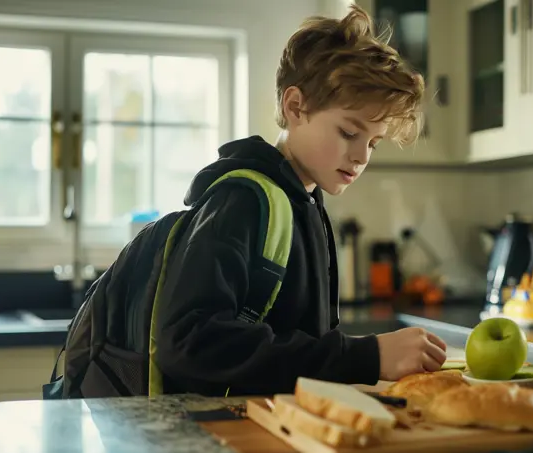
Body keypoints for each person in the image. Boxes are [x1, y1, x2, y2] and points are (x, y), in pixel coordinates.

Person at [154, 5, 447, 397]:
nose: (362, 156)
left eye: (373, 142)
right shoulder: (242, 202)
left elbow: (300, 346)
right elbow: (187, 342)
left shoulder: (306, 201)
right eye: (348, 132)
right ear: (295, 107)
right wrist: (366, 356)